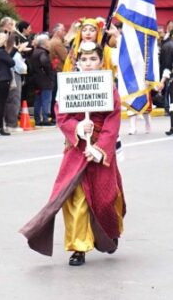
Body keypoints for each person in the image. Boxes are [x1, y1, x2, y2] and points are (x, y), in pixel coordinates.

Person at [19, 41, 125, 266]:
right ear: (77, 62)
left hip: (100, 149)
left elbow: (113, 118)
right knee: (75, 198)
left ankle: (108, 233)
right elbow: (61, 115)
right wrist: (77, 128)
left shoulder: (110, 86)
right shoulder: (68, 85)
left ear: (100, 61)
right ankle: (78, 247)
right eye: (84, 60)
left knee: (106, 199)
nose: (88, 64)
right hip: (76, 148)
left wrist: (100, 148)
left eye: (93, 59)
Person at [28, 34, 55, 126]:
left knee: (38, 100)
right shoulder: (43, 53)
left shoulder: (35, 52)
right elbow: (45, 64)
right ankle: (45, 119)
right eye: (48, 40)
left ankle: (37, 119)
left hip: (36, 80)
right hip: (44, 80)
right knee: (46, 99)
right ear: (44, 43)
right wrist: (50, 74)